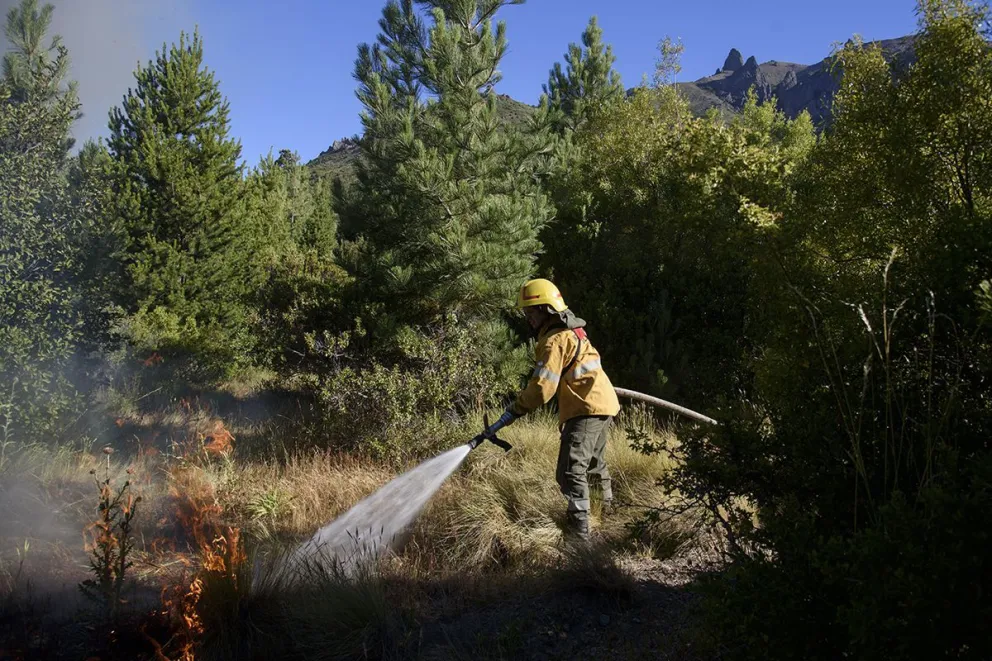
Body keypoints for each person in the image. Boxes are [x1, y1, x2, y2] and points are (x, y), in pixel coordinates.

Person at [479, 278, 621, 540]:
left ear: (546, 309)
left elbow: (542, 390)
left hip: (586, 408)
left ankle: (579, 538)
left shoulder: (553, 342)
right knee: (593, 467)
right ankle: (605, 521)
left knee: (570, 471)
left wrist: (516, 409)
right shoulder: (571, 332)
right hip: (604, 405)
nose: (527, 318)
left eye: (530, 312)